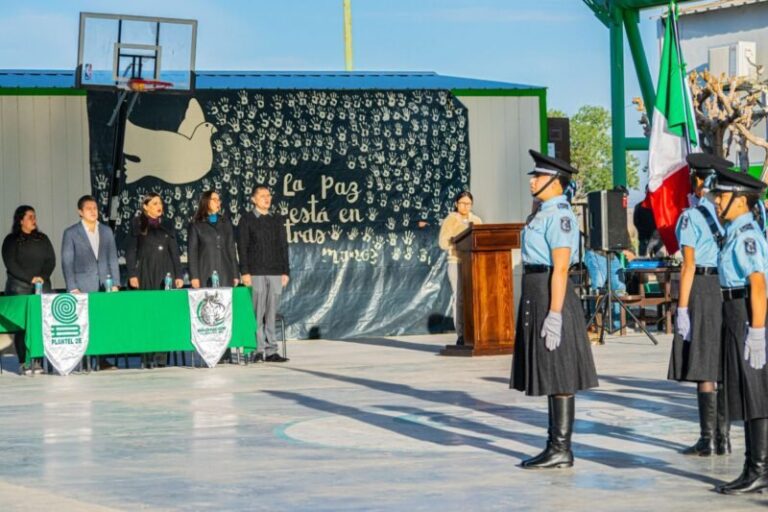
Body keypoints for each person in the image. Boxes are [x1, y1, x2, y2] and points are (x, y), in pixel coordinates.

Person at [510, 149, 599, 469]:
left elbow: (561, 268)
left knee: (559, 370)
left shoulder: (560, 216)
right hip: (537, 291)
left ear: (555, 182)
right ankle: (555, 445)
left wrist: (556, 314)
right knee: (550, 369)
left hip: (551, 292)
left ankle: (560, 447)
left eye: (539, 176)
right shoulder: (544, 211)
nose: (532, 181)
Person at [711, 167, 768, 495]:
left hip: (747, 312)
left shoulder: (746, 235)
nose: (717, 201)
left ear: (741, 201)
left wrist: (757, 330)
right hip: (734, 311)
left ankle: (760, 468)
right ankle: (752, 466)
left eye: (722, 196)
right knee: (747, 391)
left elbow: (758, 285)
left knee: (755, 390)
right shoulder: (735, 230)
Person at [667, 154, 729, 457]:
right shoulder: (733, 213)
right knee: (723, 363)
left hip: (703, 288)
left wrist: (681, 308)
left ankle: (708, 439)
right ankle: (725, 436)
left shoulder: (691, 216)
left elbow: (688, 266)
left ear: (699, 180)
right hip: (728, 287)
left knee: (705, 365)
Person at [61, 195, 122, 370]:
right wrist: (72, 287)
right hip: (82, 285)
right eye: (89, 208)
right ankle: (82, 359)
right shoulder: (71, 233)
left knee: (102, 322)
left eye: (95, 208)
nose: (93, 211)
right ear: (80, 212)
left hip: (105, 285)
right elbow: (67, 261)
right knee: (83, 323)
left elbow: (112, 258)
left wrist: (115, 283)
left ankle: (102, 359)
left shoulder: (106, 231)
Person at [238, 186, 290, 363]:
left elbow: (283, 246)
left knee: (271, 312)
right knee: (257, 311)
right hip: (256, 272)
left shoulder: (276, 219)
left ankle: (271, 350)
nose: (266, 199)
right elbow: (242, 247)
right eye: (262, 196)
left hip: (275, 271)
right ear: (253, 199)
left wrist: (285, 271)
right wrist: (245, 271)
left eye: (268, 195)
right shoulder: (247, 220)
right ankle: (257, 348)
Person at [2, 205, 56, 375]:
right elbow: (11, 264)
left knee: (42, 323)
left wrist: (42, 276)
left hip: (41, 285)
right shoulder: (11, 240)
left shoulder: (42, 238)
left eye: (35, 216)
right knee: (22, 325)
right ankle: (23, 361)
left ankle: (39, 360)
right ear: (21, 220)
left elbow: (51, 261)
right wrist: (29, 278)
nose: (34, 220)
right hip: (19, 287)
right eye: (30, 217)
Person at [438, 191, 483, 345]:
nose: (465, 206)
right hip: (456, 262)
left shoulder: (476, 220)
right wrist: (457, 240)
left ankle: (475, 331)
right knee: (460, 298)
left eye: (468, 204)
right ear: (456, 204)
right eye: (462, 203)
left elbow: (481, 240)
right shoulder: (450, 219)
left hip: (472, 262)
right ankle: (461, 333)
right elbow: (443, 243)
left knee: (474, 297)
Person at [124, 193, 183, 291]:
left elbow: (174, 252)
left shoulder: (168, 224)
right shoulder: (137, 223)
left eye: (160, 203)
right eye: (155, 203)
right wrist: (132, 274)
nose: (159, 206)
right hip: (145, 271)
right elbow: (131, 251)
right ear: (145, 207)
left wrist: (179, 275)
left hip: (166, 270)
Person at [188, 191, 239, 288]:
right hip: (205, 273)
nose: (218, 202)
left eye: (219, 200)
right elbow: (192, 253)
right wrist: (194, 277)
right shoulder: (196, 225)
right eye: (214, 200)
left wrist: (236, 274)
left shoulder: (226, 222)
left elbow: (231, 249)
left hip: (226, 273)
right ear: (206, 201)